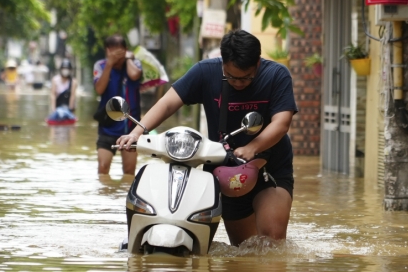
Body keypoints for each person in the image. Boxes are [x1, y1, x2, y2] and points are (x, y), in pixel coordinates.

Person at [115, 30, 298, 246]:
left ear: (257, 63)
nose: (238, 83)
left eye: (246, 77)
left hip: (269, 165)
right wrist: (137, 131)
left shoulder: (276, 75)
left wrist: (253, 147)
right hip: (225, 169)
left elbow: (281, 123)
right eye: (231, 77)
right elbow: (168, 103)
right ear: (223, 63)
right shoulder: (205, 72)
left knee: (271, 243)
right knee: (243, 251)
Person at [94, 34, 142, 175]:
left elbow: (135, 75)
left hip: (130, 127)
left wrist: (127, 59)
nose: (116, 55)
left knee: (129, 172)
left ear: (126, 50)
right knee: (103, 168)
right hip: (108, 127)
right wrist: (110, 63)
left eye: (120, 51)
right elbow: (99, 89)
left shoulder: (134, 63)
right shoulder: (101, 66)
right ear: (107, 51)